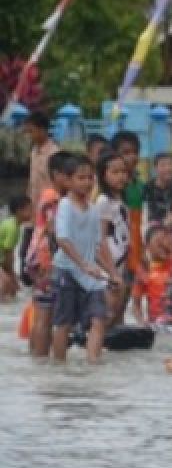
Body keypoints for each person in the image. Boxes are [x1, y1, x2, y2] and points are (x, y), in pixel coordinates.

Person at [50, 155, 122, 364]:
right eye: (81, 178)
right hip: (66, 270)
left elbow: (98, 247)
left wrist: (113, 273)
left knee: (99, 318)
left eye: (91, 178)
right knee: (64, 323)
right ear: (69, 181)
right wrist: (83, 264)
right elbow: (62, 239)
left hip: (90, 275)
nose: (87, 182)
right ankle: (59, 367)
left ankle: (93, 365)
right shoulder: (65, 204)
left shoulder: (93, 209)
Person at [26, 151, 75, 357]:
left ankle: (37, 359)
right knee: (45, 316)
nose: (74, 181)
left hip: (38, 258)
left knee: (41, 312)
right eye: (70, 176)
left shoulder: (48, 195)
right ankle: (41, 358)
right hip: (47, 260)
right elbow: (56, 231)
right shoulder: (54, 199)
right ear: (56, 175)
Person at [132, 223, 172, 332]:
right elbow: (136, 305)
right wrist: (142, 323)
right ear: (147, 246)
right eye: (158, 243)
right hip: (158, 322)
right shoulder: (143, 270)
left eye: (165, 243)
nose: (163, 246)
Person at [93, 150, 133, 325]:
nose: (121, 177)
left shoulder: (121, 200)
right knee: (107, 314)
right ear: (103, 175)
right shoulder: (103, 201)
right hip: (109, 265)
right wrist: (111, 271)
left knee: (118, 312)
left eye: (123, 172)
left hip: (121, 261)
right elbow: (99, 238)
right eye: (115, 172)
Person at [112, 131, 146, 275]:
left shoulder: (140, 184)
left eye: (135, 152)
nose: (131, 157)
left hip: (137, 246)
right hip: (116, 248)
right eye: (125, 152)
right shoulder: (110, 187)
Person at [23, 111, 59, 208]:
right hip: (34, 206)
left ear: (42, 130)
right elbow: (32, 181)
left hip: (48, 206)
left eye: (31, 131)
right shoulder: (34, 151)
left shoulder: (54, 154)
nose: (29, 135)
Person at [1, 196, 33, 301]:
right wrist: (12, 276)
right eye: (29, 209)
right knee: (6, 283)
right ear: (19, 211)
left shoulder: (15, 225)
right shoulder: (12, 228)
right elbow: (8, 254)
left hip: (2, 261)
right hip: (3, 260)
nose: (32, 212)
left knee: (12, 289)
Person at [144, 152, 172, 228]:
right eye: (163, 165)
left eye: (170, 164)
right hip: (154, 223)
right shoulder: (149, 186)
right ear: (155, 168)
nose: (168, 168)